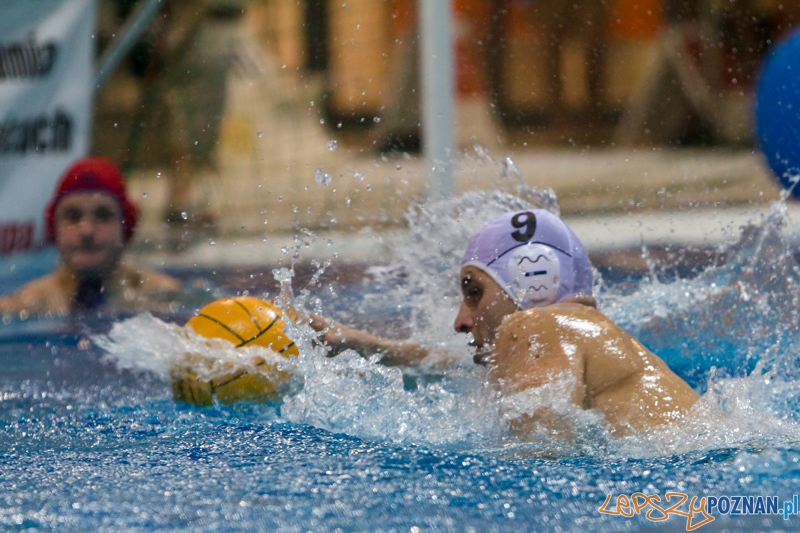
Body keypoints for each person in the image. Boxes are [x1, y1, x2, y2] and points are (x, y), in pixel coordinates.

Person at [310, 209, 699, 436]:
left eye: (474, 291)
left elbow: (542, 455)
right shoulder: (589, 337)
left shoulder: (534, 325)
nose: (461, 320)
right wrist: (372, 347)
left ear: (534, 280)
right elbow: (464, 369)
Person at [0, 157, 181, 316]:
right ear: (53, 228)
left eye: (103, 215)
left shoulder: (163, 295)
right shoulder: (26, 304)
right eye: (73, 216)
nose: (86, 231)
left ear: (126, 226)